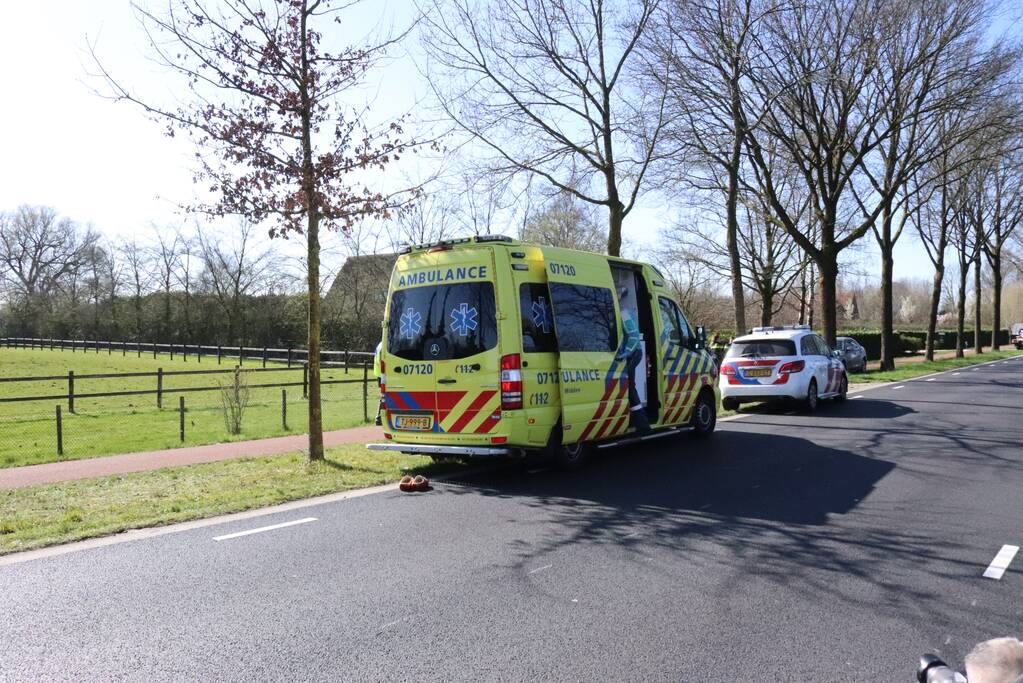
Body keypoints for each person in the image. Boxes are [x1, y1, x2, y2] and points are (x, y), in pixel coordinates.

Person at [618, 308, 650, 435]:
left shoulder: (623, 313)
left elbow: (633, 335)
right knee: (629, 386)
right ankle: (636, 420)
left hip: (634, 353)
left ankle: (642, 424)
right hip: (632, 353)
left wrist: (626, 352)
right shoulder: (620, 313)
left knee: (628, 386)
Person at [372, 340, 383, 426]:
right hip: (382, 374)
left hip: (379, 374)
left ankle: (379, 417)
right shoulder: (384, 345)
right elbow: (381, 360)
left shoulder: (380, 344)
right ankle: (379, 418)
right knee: (384, 396)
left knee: (383, 396)